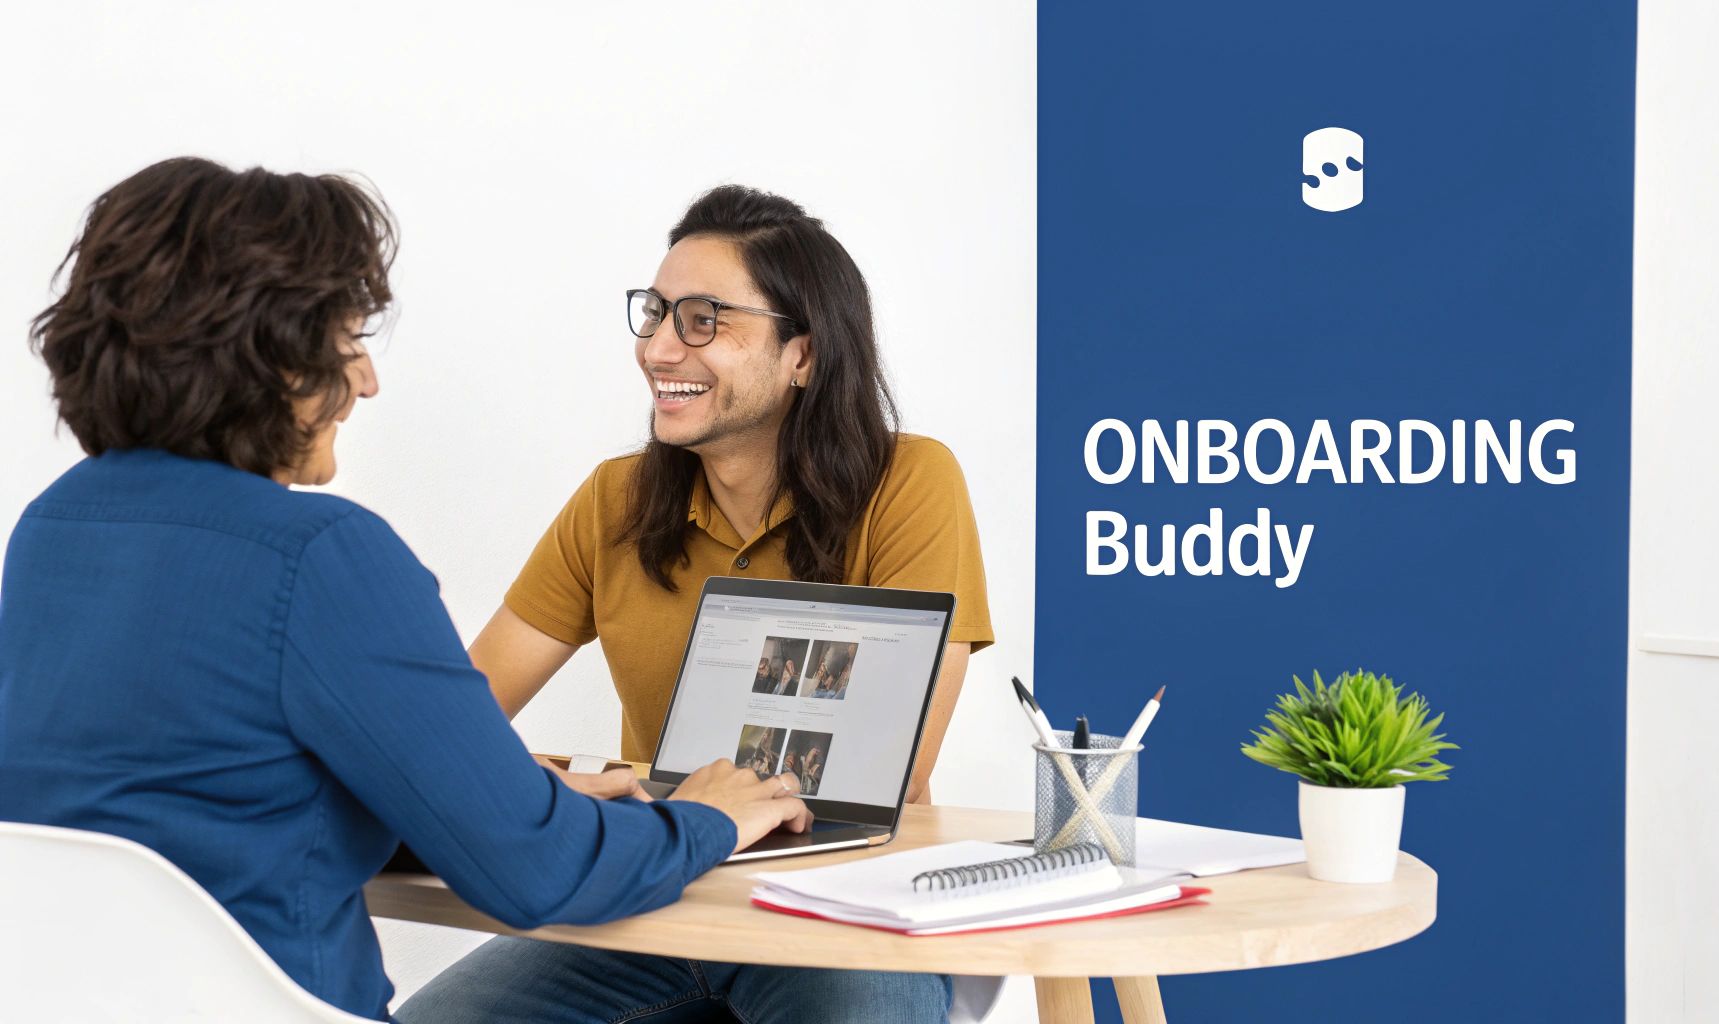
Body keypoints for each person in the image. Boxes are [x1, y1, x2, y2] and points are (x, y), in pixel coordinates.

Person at [0, 159, 814, 1022]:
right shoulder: (320, 556)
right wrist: (705, 819)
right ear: (267, 352)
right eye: (347, 340)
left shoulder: (52, 530)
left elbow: (207, 800)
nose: (366, 378)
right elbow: (538, 873)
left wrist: (489, 789)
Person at [399, 185, 992, 1023]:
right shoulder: (615, 500)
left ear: (805, 356)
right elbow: (450, 727)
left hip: (836, 901)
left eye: (704, 319)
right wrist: (540, 784)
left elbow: (894, 765)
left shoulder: (911, 483)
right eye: (657, 313)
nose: (658, 349)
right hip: (658, 888)